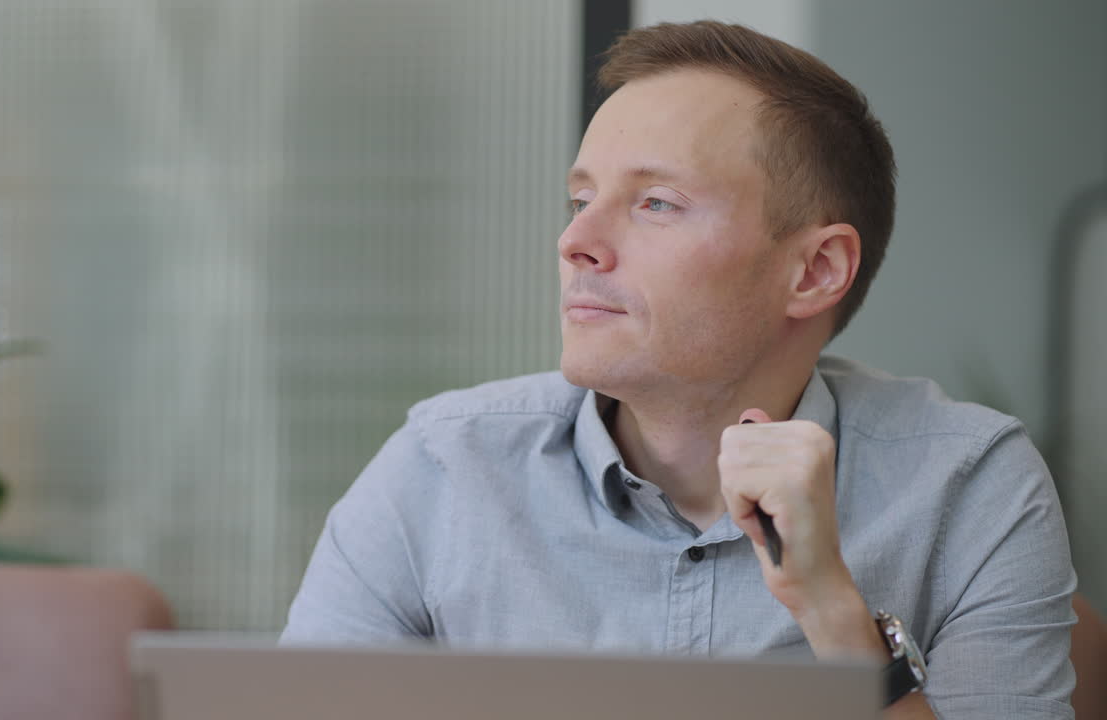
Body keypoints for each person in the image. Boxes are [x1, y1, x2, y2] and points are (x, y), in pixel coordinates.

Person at [280, 20, 1076, 719]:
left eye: (656, 202)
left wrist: (832, 612)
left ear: (814, 271)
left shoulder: (967, 483)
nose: (576, 242)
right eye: (579, 199)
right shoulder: (441, 466)